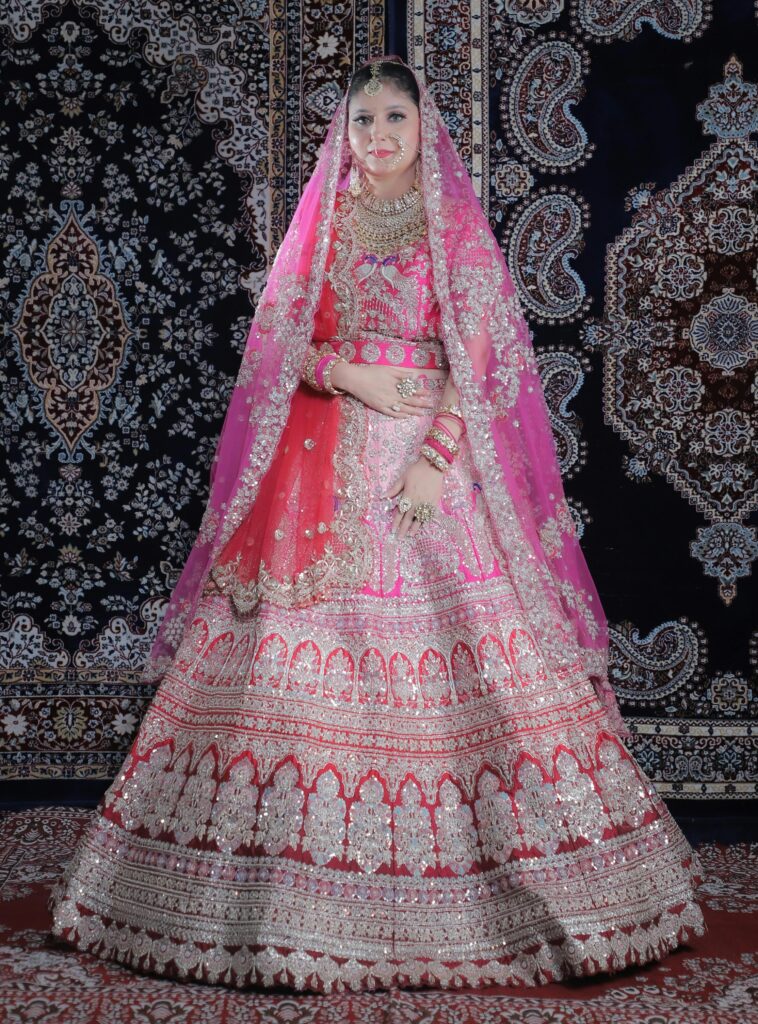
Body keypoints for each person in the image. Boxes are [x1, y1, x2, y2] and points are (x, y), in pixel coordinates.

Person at [48, 56, 704, 994]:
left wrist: (438, 462)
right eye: (364, 121)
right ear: (344, 133)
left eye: (396, 118)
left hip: (427, 471)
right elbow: (280, 338)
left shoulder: (456, 233)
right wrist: (347, 374)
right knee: (279, 641)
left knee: (480, 651)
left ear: (422, 128)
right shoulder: (325, 225)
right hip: (323, 461)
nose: (380, 136)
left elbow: (477, 358)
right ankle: (272, 907)